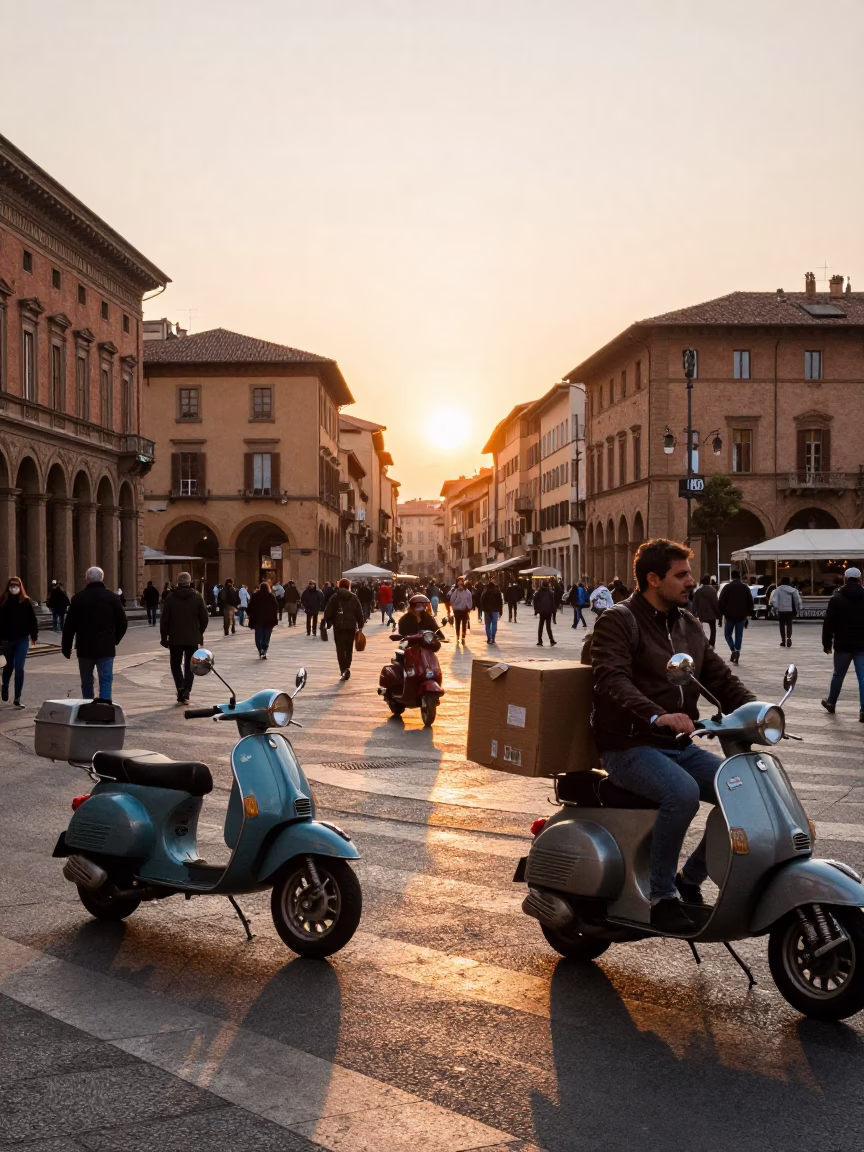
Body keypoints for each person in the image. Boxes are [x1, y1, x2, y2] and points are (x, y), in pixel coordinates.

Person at [592, 538, 755, 933]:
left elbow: (718, 677)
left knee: (743, 791)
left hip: (677, 746)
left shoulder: (688, 624)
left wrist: (759, 712)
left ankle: (690, 878)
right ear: (653, 578)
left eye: (689, 573)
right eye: (680, 575)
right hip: (628, 745)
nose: (690, 582)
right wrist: (657, 716)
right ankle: (661, 895)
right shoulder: (619, 620)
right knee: (680, 794)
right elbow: (610, 677)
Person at [62, 566, 128, 702]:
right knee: (105, 679)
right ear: (102, 578)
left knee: (86, 680)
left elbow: (69, 625)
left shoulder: (78, 599)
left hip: (84, 647)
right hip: (106, 647)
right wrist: (115, 639)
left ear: (86, 580)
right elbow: (123, 622)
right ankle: (104, 707)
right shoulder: (112, 598)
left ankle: (87, 705)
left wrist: (66, 646)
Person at [159, 571, 209, 703]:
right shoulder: (197, 596)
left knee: (175, 664)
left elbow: (165, 619)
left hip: (175, 638)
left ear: (178, 582)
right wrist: (199, 632)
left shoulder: (170, 597)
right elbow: (204, 618)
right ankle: (186, 691)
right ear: (190, 581)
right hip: (192, 637)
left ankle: (180, 687)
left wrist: (164, 637)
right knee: (190, 665)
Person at [821, 567, 864, 719]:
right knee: (863, 677)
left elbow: (829, 623)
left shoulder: (836, 598)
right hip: (862, 644)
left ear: (845, 579)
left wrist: (826, 643)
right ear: (860, 578)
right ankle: (863, 710)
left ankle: (831, 702)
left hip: (842, 643)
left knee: (838, 674)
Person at [0, 577, 39, 708]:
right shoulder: (3, 601)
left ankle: (17, 697)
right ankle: (5, 686)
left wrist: (34, 635)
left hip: (22, 639)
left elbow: (32, 620)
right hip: (6, 640)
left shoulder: (26, 602)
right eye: (11, 586)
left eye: (16, 586)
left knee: (20, 668)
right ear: (8, 587)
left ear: (20, 587)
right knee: (9, 666)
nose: (14, 588)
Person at [323, 578, 365, 680]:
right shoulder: (353, 597)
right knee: (349, 649)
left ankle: (343, 669)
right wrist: (360, 625)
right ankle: (347, 667)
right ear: (348, 586)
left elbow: (327, 611)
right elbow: (359, 612)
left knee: (340, 650)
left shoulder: (335, 597)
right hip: (351, 628)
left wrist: (328, 622)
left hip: (339, 628)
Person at [718, 570, 754, 665]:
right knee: (739, 635)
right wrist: (749, 613)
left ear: (731, 576)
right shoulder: (745, 587)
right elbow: (750, 601)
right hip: (742, 615)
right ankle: (737, 650)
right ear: (739, 576)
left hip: (729, 615)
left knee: (727, 634)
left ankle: (733, 649)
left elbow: (721, 601)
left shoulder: (727, 587)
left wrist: (721, 614)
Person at [248, 581, 279, 658]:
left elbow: (250, 607)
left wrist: (250, 614)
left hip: (257, 620)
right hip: (269, 620)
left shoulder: (255, 596)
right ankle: (264, 650)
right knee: (266, 636)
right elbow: (276, 607)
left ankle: (260, 649)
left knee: (258, 636)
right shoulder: (271, 596)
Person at [770, 576, 802, 648]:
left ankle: (783, 641)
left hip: (781, 610)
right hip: (790, 610)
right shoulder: (794, 590)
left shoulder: (778, 590)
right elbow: (797, 600)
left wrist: (775, 607)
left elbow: (775, 600)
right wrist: (798, 608)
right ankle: (789, 638)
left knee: (781, 625)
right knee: (789, 624)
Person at [692, 574, 721, 647]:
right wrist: (719, 616)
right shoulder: (712, 591)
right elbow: (715, 604)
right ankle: (711, 643)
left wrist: (693, 614)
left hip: (701, 614)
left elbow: (695, 603)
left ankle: (703, 642)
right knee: (713, 630)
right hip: (711, 614)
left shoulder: (698, 591)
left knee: (701, 630)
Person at [449, 576, 474, 642]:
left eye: (461, 582)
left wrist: (468, 607)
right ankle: (459, 636)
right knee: (460, 623)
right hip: (458, 610)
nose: (460, 583)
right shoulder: (457, 591)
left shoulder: (465, 591)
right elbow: (451, 600)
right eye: (459, 582)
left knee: (461, 624)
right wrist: (468, 606)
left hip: (463, 610)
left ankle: (462, 637)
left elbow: (469, 600)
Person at [533, 579, 557, 647]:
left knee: (541, 626)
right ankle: (551, 640)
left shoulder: (539, 592)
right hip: (548, 612)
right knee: (548, 627)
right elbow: (553, 603)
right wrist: (553, 612)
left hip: (542, 611)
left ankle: (540, 641)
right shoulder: (550, 592)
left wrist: (536, 610)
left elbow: (535, 601)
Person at [480, 579, 503, 644]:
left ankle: (488, 638)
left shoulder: (485, 592)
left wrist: (483, 609)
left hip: (487, 611)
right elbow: (500, 602)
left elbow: (482, 602)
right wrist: (500, 611)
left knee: (487, 625)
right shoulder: (497, 592)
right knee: (494, 624)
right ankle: (493, 638)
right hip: (495, 610)